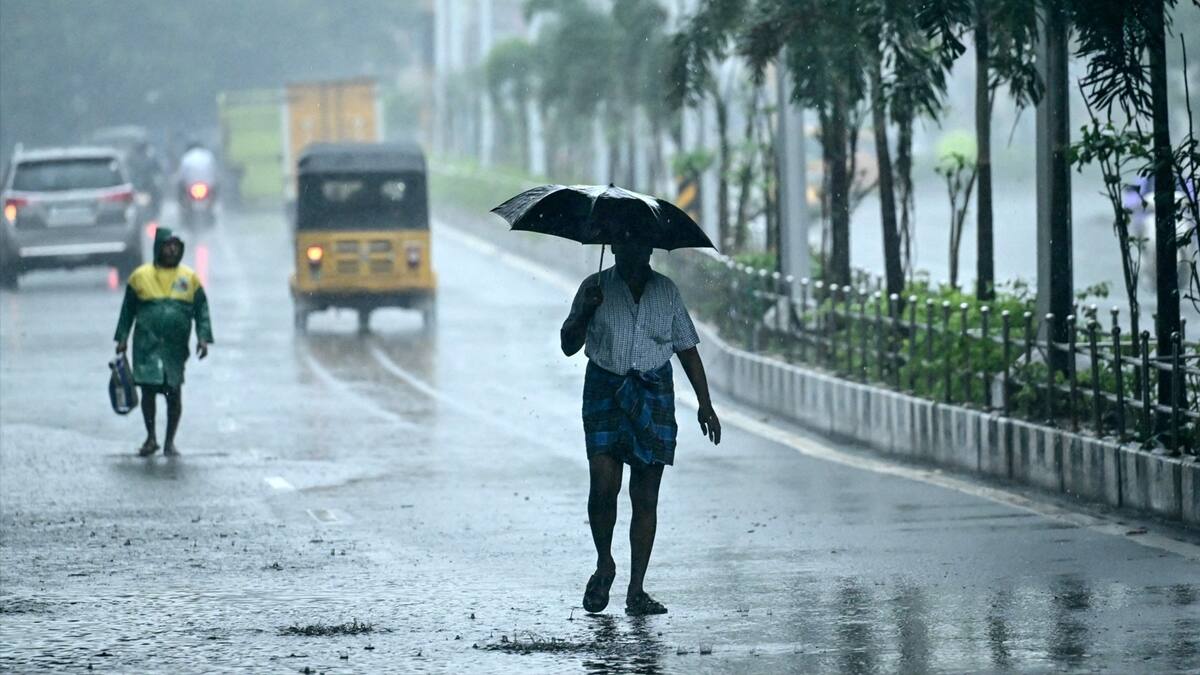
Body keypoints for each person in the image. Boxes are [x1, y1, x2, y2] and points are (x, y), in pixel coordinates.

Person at [560, 243, 721, 616]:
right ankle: (605, 563)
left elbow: (687, 349)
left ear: (649, 249)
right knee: (603, 487)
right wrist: (585, 310)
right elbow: (569, 345)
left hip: (654, 394)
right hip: (604, 388)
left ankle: (637, 590)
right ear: (615, 247)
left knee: (645, 496)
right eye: (626, 242)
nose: (635, 252)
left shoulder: (666, 292)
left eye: (641, 243)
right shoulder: (593, 287)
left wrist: (705, 403)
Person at [114, 227, 213, 456]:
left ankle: (169, 441)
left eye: (176, 246)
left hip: (174, 350)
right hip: (146, 347)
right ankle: (151, 437)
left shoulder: (189, 278)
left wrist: (203, 337)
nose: (172, 250)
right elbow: (127, 311)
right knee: (148, 392)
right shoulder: (140, 277)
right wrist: (122, 338)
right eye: (168, 245)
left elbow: (201, 310)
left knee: (174, 393)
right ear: (158, 247)